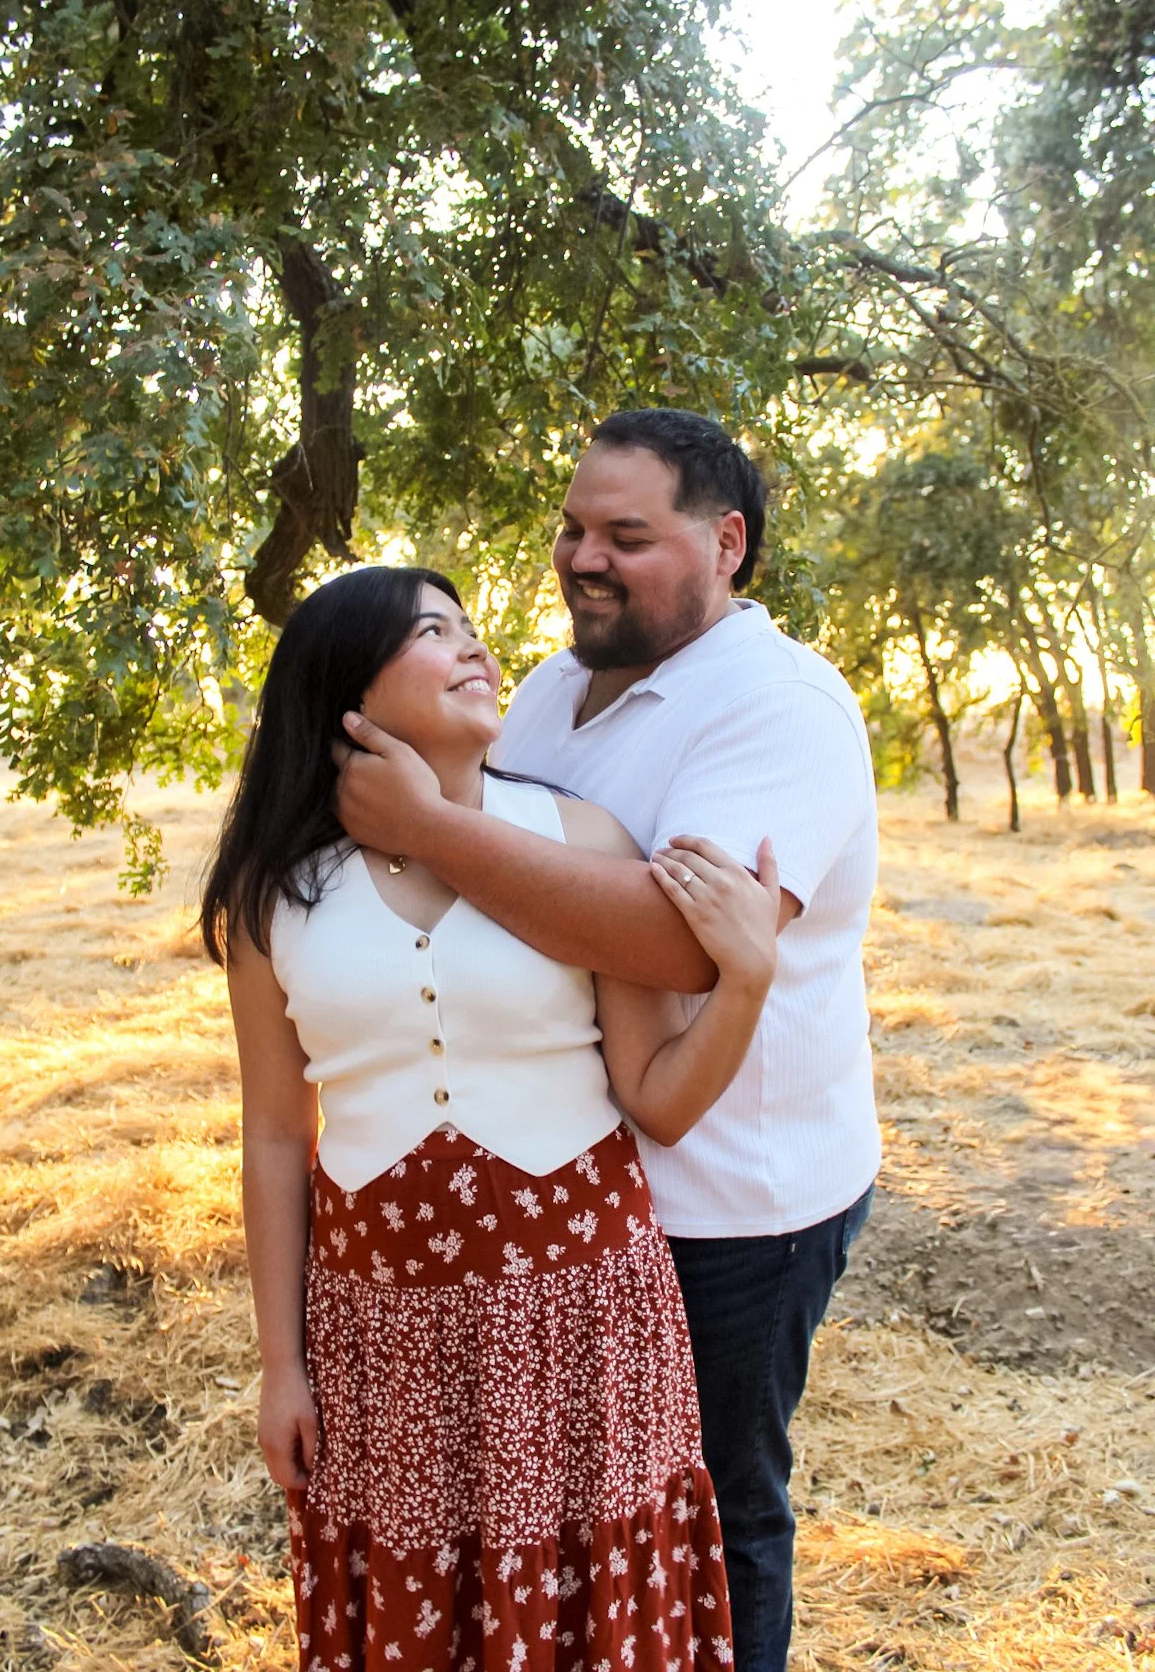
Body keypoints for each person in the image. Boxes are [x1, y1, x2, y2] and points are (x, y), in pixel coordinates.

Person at [335, 410, 880, 1672]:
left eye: (625, 535)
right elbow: (506, 860)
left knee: (710, 1505)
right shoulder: (543, 688)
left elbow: (677, 942)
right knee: (588, 1519)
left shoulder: (779, 705)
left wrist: (428, 828)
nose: (583, 555)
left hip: (730, 1196)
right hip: (572, 1201)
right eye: (573, 526)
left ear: (725, 542)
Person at [201, 562, 785, 1671]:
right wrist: (282, 1362)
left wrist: (745, 983)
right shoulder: (277, 893)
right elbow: (278, 1133)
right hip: (383, 1333)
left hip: (583, 1317)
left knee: (592, 1608)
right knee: (423, 1613)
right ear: (349, 692)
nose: (475, 645)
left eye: (473, 627)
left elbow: (658, 1096)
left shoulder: (583, 839)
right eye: (434, 630)